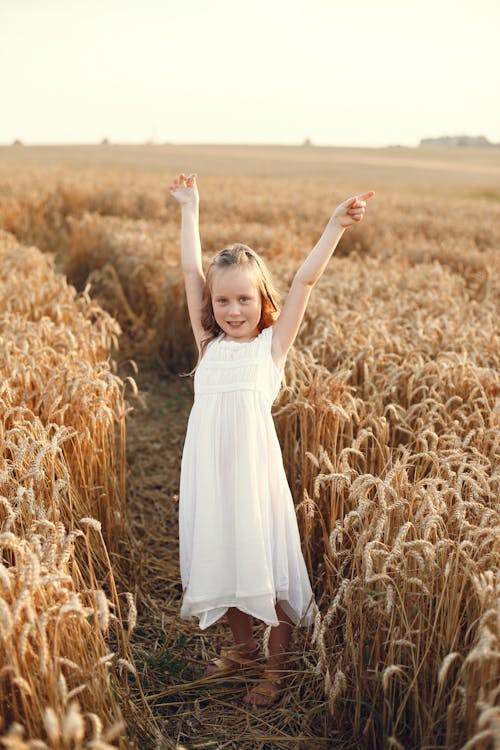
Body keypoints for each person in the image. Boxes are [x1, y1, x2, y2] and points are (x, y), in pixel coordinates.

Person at [169, 173, 374, 707]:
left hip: (254, 478)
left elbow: (304, 282)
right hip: (210, 475)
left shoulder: (270, 350)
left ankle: (275, 669)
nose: (232, 311)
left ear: (261, 299)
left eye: (243, 299)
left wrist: (334, 226)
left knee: (263, 563)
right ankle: (241, 650)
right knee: (223, 557)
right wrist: (191, 207)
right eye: (222, 302)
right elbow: (192, 270)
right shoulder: (207, 346)